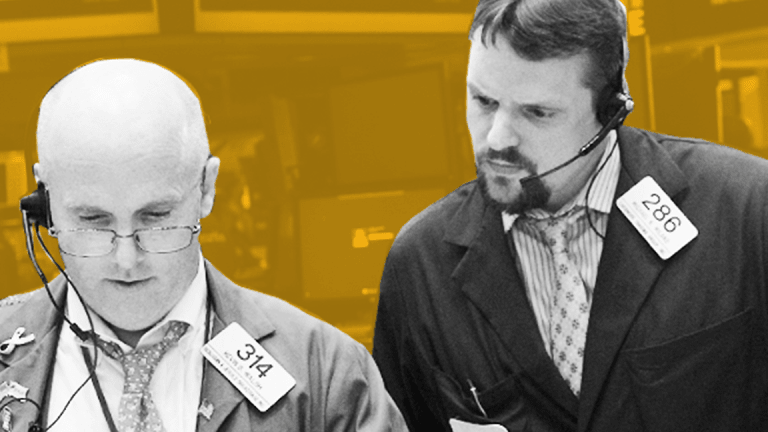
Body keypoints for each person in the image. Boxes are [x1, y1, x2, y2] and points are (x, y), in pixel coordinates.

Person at [372, 0, 768, 431]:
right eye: (484, 101)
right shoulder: (420, 264)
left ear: (610, 112)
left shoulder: (745, 211)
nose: (498, 138)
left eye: (537, 112)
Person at [0, 58, 407, 432]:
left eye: (156, 217)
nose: (126, 258)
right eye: (92, 221)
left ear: (206, 187)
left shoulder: (325, 372)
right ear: (45, 201)